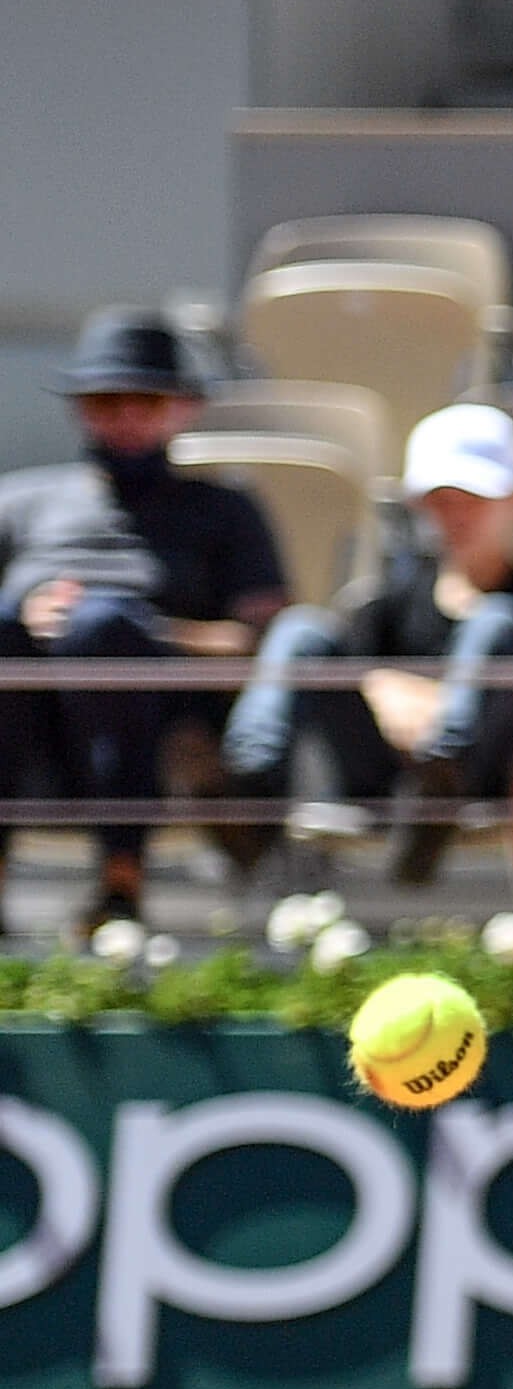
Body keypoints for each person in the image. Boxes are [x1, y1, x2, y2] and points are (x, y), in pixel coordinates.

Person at [222, 405, 513, 894]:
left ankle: (444, 779)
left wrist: (409, 701)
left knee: (496, 619)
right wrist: (401, 696)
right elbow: (354, 686)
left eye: (475, 499)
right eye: (443, 500)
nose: (458, 515)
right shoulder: (387, 599)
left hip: (486, 776)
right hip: (381, 778)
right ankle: (247, 789)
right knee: (300, 631)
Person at [0, 308, 287, 933]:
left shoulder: (225, 510)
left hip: (163, 721)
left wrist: (136, 635)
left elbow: (265, 643)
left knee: (102, 628)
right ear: (81, 407)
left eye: (146, 402)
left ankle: (121, 883)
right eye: (108, 401)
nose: (127, 418)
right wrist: (29, 619)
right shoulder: (20, 503)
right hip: (32, 728)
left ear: (181, 409)